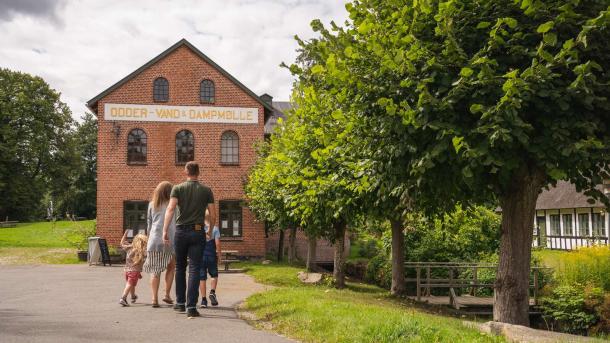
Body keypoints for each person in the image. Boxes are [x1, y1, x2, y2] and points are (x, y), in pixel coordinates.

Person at [163, 161, 216, 318]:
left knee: (180, 267)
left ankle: (180, 304)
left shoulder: (177, 188)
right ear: (198, 173)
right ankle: (191, 307)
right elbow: (213, 214)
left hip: (180, 232)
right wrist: (210, 231)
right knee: (194, 268)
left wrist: (165, 230)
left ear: (186, 172)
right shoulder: (206, 190)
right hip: (198, 231)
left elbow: (171, 209)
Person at [142, 181, 176, 308]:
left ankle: (154, 299)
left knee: (155, 270)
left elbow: (149, 224)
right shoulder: (174, 205)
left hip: (154, 240)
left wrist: (148, 239)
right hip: (170, 239)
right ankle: (167, 295)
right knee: (171, 267)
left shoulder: (152, 204)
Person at [119, 231, 148, 306]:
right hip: (134, 272)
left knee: (131, 284)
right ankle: (123, 298)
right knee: (129, 284)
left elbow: (121, 243)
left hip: (127, 271)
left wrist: (125, 234)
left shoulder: (129, 248)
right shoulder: (142, 251)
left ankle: (133, 296)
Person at [199, 209, 221, 308]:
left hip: (201, 256)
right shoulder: (215, 229)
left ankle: (203, 300)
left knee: (202, 278)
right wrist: (219, 255)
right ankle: (212, 292)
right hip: (211, 256)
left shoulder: (199, 228)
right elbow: (217, 244)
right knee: (214, 275)